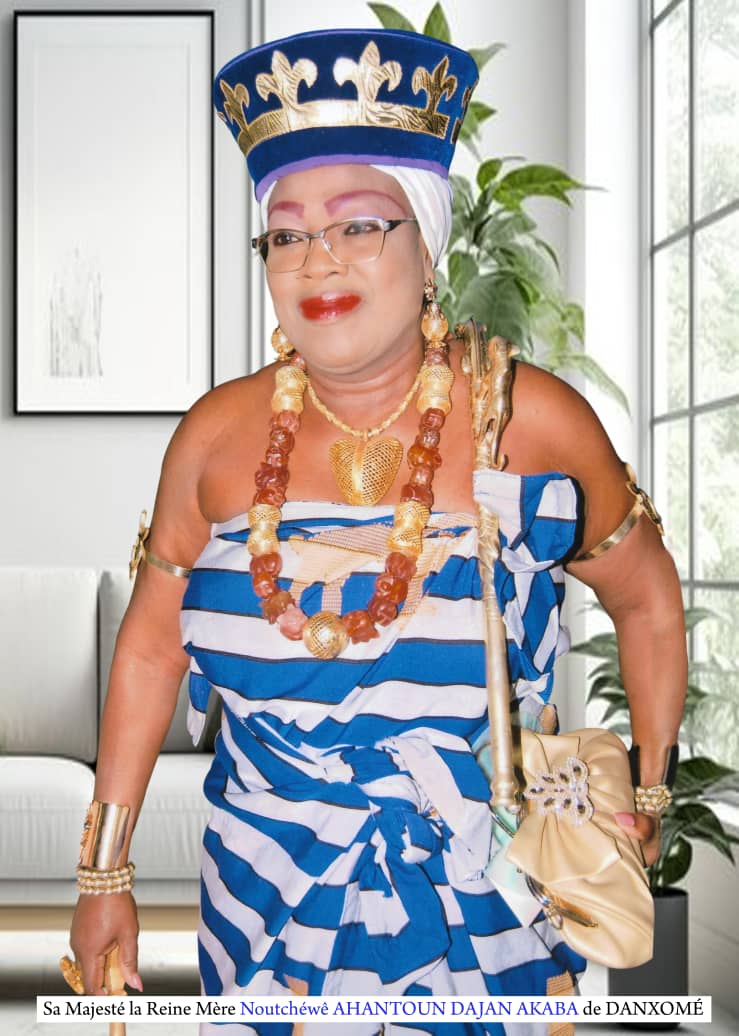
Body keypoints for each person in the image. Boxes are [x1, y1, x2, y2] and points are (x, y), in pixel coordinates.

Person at [66, 27, 687, 1035]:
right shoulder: (215, 439)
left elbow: (648, 599)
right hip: (263, 903)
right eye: (287, 235)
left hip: (485, 913)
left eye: (358, 224)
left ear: (425, 240)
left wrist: (649, 796)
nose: (320, 261)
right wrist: (105, 872)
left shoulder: (528, 423)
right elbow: (147, 649)